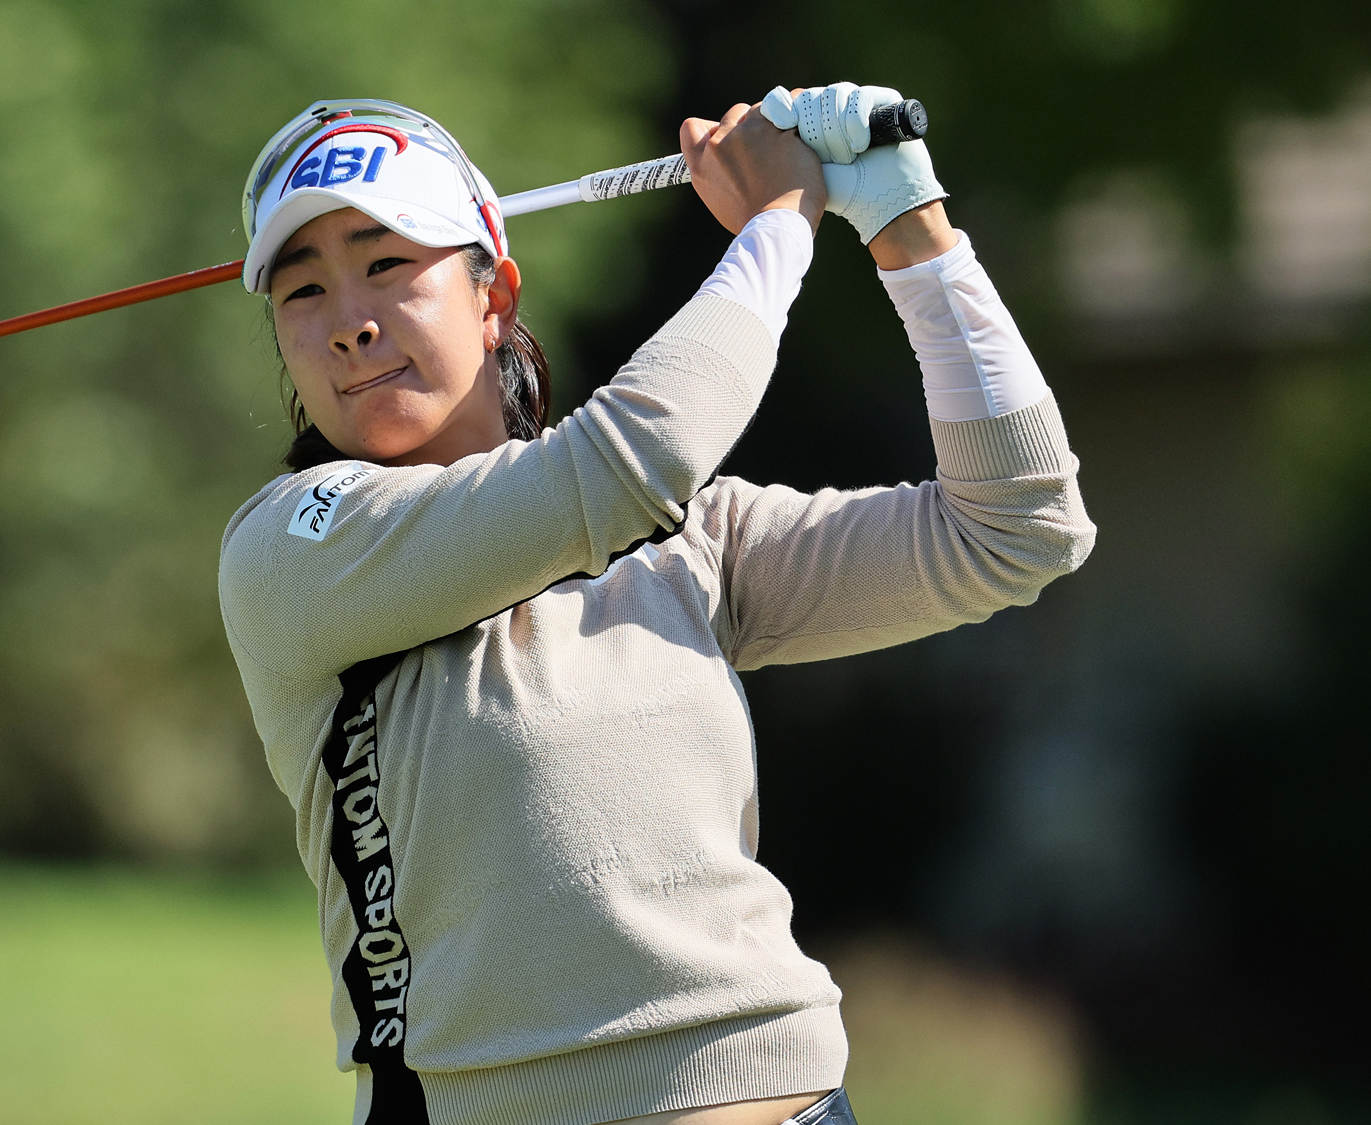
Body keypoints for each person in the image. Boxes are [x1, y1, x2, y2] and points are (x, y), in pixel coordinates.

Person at [217, 87, 1095, 1125]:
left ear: (492, 297)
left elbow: (1015, 526)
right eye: (300, 291)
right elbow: (638, 454)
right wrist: (778, 224)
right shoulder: (294, 547)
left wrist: (906, 222)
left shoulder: (683, 542)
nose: (350, 323)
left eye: (385, 264)